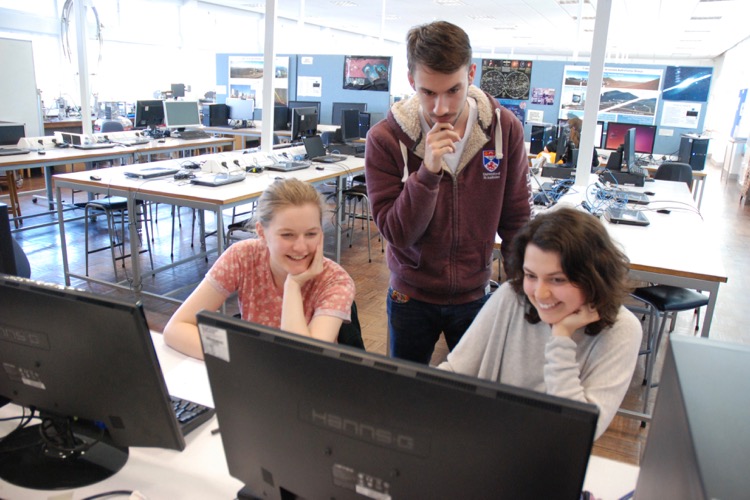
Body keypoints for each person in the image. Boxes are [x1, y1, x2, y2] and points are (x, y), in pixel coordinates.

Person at [364, 20, 532, 364]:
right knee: (405, 396)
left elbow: (517, 219)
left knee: (472, 400)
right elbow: (396, 232)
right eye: (428, 92)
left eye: (453, 90)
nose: (441, 107)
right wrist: (428, 172)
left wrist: (526, 286)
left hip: (475, 294)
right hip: (410, 296)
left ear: (471, 73)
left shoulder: (503, 128)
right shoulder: (385, 139)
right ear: (412, 81)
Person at [438, 207, 642, 439]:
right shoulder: (511, 296)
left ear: (593, 278)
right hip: (483, 441)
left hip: (548, 458)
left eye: (557, 279)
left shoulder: (622, 330)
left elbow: (576, 432)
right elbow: (455, 371)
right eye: (531, 276)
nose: (540, 294)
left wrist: (561, 339)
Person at [163, 178, 356, 360]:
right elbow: (177, 328)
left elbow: (303, 360)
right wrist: (240, 355)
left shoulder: (335, 281)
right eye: (287, 235)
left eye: (311, 234)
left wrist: (293, 285)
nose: (300, 247)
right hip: (255, 375)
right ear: (262, 233)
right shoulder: (243, 256)